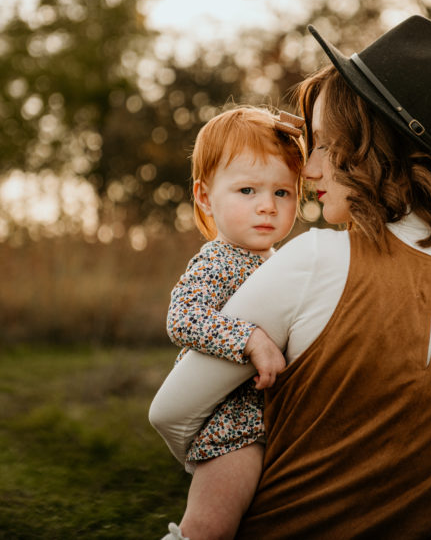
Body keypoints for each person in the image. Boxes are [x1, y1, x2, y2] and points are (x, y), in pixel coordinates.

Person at [151, 16, 431, 539]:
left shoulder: (312, 259)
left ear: (370, 146)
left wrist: (238, 466)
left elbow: (170, 412)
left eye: (323, 144)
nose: (309, 169)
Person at [149, 106, 306, 540]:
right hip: (232, 431)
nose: (266, 207)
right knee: (208, 530)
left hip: (271, 425)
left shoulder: (283, 261)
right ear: (204, 198)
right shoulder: (220, 259)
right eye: (247, 190)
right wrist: (248, 338)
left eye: (283, 193)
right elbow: (183, 317)